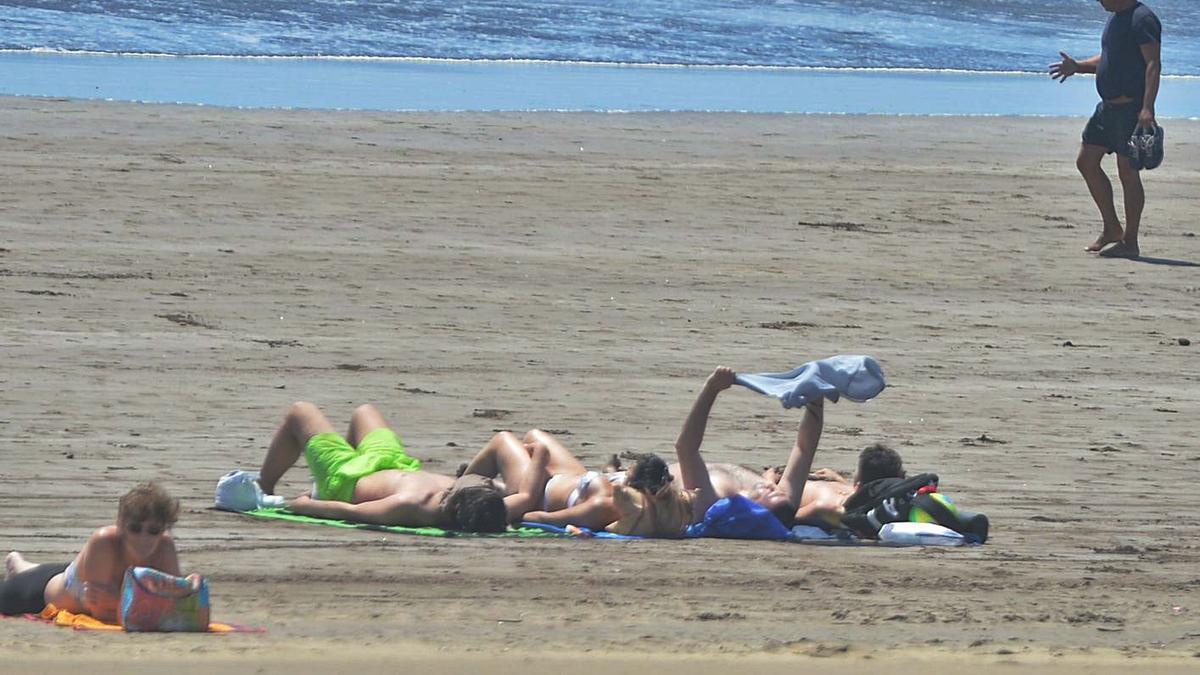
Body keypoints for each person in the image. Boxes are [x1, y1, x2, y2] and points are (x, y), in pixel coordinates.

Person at [670, 366, 907, 528]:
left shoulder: (709, 502)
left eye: (772, 495)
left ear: (756, 510)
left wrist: (711, 389)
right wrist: (816, 399)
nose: (775, 489)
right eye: (777, 492)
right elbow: (804, 448)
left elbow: (685, 447)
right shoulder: (784, 501)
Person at [258, 402, 547, 533]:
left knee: (300, 412)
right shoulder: (488, 507)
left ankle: (265, 487)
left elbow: (353, 513)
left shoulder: (410, 505)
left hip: (347, 476)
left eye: (481, 484)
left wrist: (306, 506)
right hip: (392, 461)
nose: (485, 481)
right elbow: (524, 497)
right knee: (364, 412)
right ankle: (324, 471)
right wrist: (538, 455)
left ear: (459, 498)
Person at [1050, 0, 1162, 258]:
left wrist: (1147, 107)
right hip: (1107, 110)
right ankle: (1112, 228)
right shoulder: (1116, 17)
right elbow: (1110, 57)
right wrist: (1078, 66)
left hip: (1131, 109)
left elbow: (1153, 64)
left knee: (1128, 174)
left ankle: (1130, 242)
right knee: (1086, 162)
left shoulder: (1142, 18)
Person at [2, 482, 200, 621]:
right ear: (121, 526)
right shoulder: (104, 541)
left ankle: (19, 565)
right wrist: (160, 602)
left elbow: (176, 606)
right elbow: (101, 612)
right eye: (135, 529)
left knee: (35, 570)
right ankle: (18, 566)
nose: (144, 538)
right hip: (42, 593)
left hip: (75, 570)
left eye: (154, 531)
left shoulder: (165, 547)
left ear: (164, 530)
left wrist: (190, 587)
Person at [459, 428, 674, 532]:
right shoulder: (625, 496)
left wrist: (535, 473)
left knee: (503, 440)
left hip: (536, 491)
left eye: (629, 471)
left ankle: (458, 489)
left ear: (632, 481)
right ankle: (499, 484)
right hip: (572, 479)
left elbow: (541, 518)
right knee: (534, 435)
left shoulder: (602, 505)